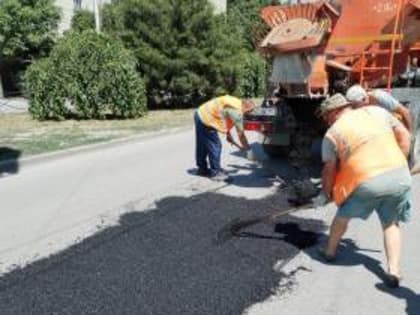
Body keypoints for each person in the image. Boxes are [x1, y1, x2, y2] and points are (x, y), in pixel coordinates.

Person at [318, 93, 412, 288]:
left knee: (343, 216)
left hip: (366, 181)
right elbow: (404, 135)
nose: (325, 120)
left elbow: (329, 169)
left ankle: (329, 252)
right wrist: (401, 162)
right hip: (399, 176)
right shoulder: (377, 112)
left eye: (326, 115)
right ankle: (394, 270)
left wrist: (326, 193)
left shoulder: (333, 133)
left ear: (335, 112)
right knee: (391, 223)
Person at [194, 95, 255, 181]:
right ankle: (216, 173)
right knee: (216, 145)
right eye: (250, 111)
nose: (249, 113)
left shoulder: (235, 103)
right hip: (207, 118)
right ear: (246, 107)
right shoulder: (237, 112)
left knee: (203, 144)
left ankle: (202, 169)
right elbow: (241, 134)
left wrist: (228, 135)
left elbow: (225, 117)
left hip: (200, 113)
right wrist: (249, 150)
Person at [345, 84, 412, 132]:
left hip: (394, 125)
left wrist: (409, 134)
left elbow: (405, 111)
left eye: (355, 105)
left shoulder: (380, 97)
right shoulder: (357, 107)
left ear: (364, 99)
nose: (353, 108)